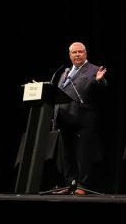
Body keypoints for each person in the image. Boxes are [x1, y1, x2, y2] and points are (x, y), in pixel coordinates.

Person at [54, 42, 108, 195]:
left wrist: (99, 80)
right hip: (64, 118)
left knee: (83, 153)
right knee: (67, 154)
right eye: (74, 52)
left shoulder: (94, 69)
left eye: (80, 52)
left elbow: (103, 87)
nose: (77, 54)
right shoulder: (65, 72)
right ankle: (69, 183)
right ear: (70, 55)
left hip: (83, 117)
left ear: (85, 53)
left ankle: (82, 185)